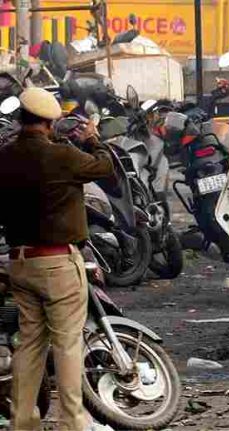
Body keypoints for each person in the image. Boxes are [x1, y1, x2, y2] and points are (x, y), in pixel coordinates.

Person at [0, 88, 114, 430]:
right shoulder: (61, 155)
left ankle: (23, 420)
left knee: (29, 345)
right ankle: (73, 423)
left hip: (20, 262)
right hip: (58, 263)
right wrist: (94, 139)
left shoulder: (5, 156)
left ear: (21, 119)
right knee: (66, 344)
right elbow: (105, 167)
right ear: (49, 123)